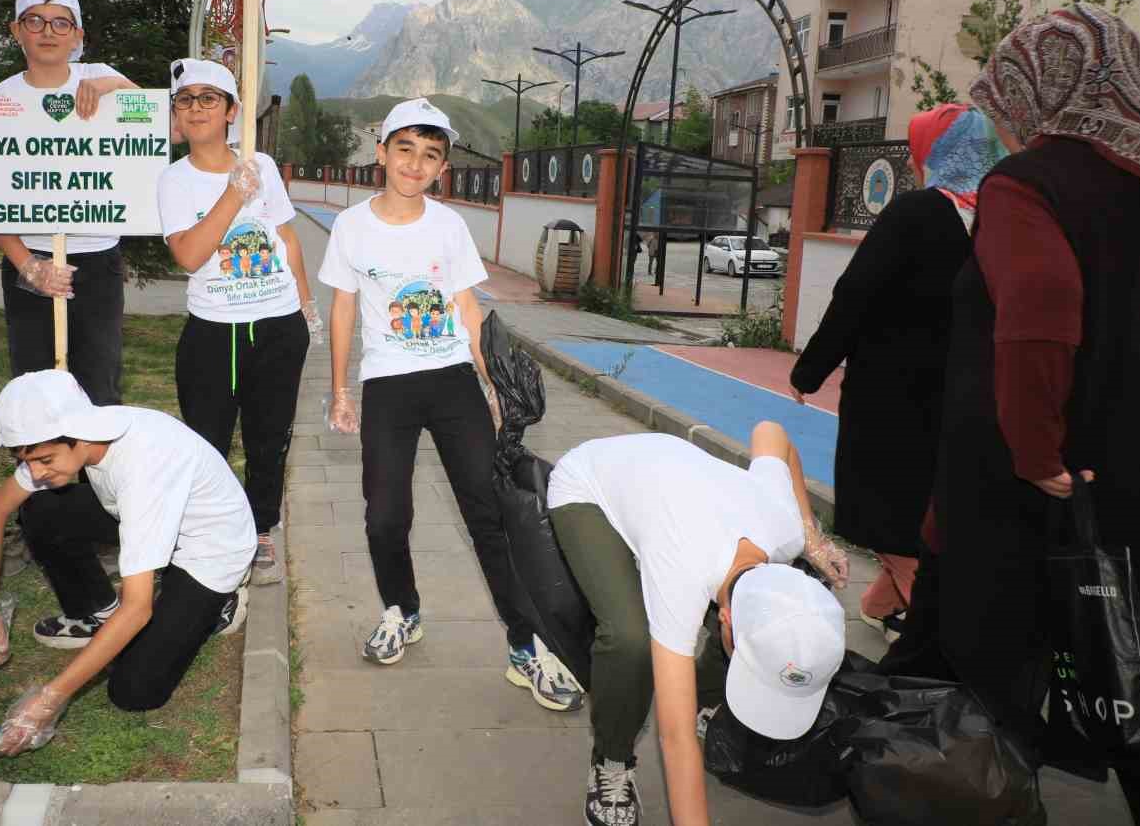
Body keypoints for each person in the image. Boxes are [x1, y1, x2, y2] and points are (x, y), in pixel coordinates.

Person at [935, 5, 1140, 824]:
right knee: (1139, 664)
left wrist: (1035, 453)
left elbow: (1040, 315)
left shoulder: (1026, 185)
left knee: (1001, 665)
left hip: (1040, 485)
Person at [319, 98, 584, 711]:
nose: (415, 164)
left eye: (430, 155)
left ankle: (528, 647)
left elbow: (469, 310)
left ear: (442, 168)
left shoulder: (449, 227)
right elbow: (342, 309)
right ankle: (402, 609)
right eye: (405, 149)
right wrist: (339, 390)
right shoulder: (353, 228)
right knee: (385, 515)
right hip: (387, 384)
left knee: (489, 515)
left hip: (452, 380)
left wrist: (492, 390)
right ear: (381, 152)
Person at [548, 423, 850, 826]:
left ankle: (704, 698)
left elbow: (772, 432)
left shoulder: (786, 531)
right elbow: (675, 739)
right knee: (631, 641)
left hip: (671, 483)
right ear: (724, 616)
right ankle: (612, 759)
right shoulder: (683, 573)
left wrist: (813, 541)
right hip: (592, 485)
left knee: (738, 649)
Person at [790, 104, 1007, 641]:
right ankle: (882, 606)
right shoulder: (1000, 219)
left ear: (933, 154)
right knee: (923, 508)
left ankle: (937, 632)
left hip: (891, 399)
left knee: (882, 508)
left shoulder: (914, 212)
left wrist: (809, 370)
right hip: (963, 396)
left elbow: (856, 294)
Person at [0, 370, 256, 754]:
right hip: (144, 515)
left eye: (44, 460)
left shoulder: (142, 467)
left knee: (134, 690)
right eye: (29, 461)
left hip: (212, 548)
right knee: (40, 513)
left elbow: (137, 609)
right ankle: (99, 613)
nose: (36, 471)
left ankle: (221, 603)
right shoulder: (62, 436)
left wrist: (48, 700)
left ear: (79, 433)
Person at [154, 58, 322, 586]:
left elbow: (288, 238)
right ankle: (209, 529)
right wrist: (232, 195)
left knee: (270, 436)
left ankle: (262, 525)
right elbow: (189, 253)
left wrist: (306, 304)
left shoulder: (262, 166)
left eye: (210, 98)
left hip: (276, 324)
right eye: (187, 99)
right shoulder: (174, 181)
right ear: (176, 114)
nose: (197, 107)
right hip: (213, 332)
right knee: (208, 439)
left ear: (231, 111)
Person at [0, 0, 136, 406]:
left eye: (61, 23)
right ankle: (46, 471)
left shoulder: (100, 76)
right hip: (28, 258)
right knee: (33, 386)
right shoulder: (0, 100)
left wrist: (108, 87)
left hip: (97, 261)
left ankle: (95, 474)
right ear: (16, 31)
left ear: (78, 36)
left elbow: (152, 116)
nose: (48, 31)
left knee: (99, 382)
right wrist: (28, 266)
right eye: (34, 21)